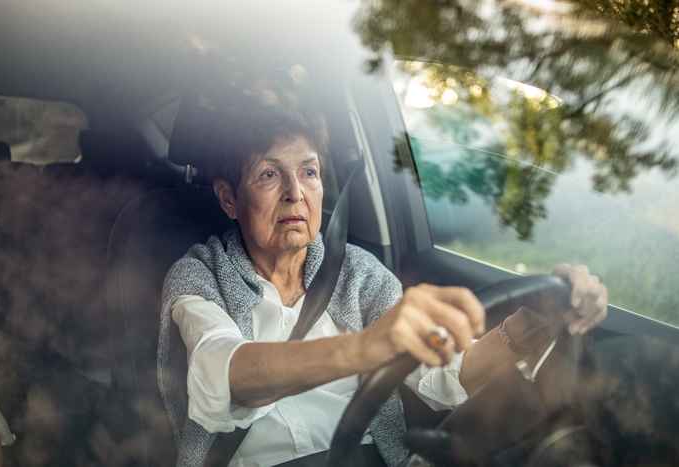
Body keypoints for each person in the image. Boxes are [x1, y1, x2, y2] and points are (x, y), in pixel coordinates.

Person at [161, 95, 608, 467]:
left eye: (310, 172)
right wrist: (366, 347)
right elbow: (224, 372)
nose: (295, 193)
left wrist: (535, 320)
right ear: (228, 198)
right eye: (269, 174)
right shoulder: (198, 276)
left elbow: (445, 377)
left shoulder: (356, 271)